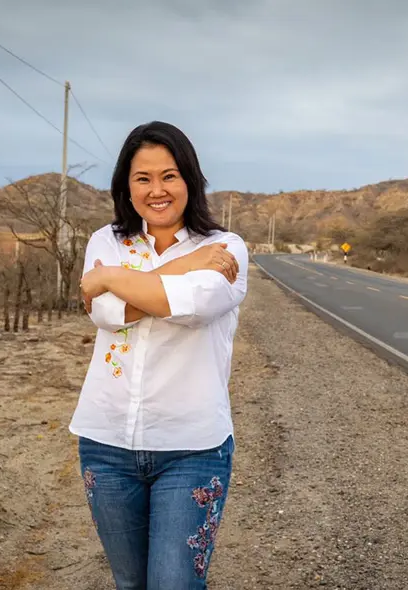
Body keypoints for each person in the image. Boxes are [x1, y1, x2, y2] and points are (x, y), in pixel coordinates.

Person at [70, 121, 247, 589]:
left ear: (189, 178)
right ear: (126, 187)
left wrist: (111, 280)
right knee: (130, 584)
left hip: (192, 447)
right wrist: (184, 267)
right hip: (105, 443)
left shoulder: (226, 249)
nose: (157, 190)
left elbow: (190, 307)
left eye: (169, 176)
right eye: (142, 178)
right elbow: (106, 314)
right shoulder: (105, 242)